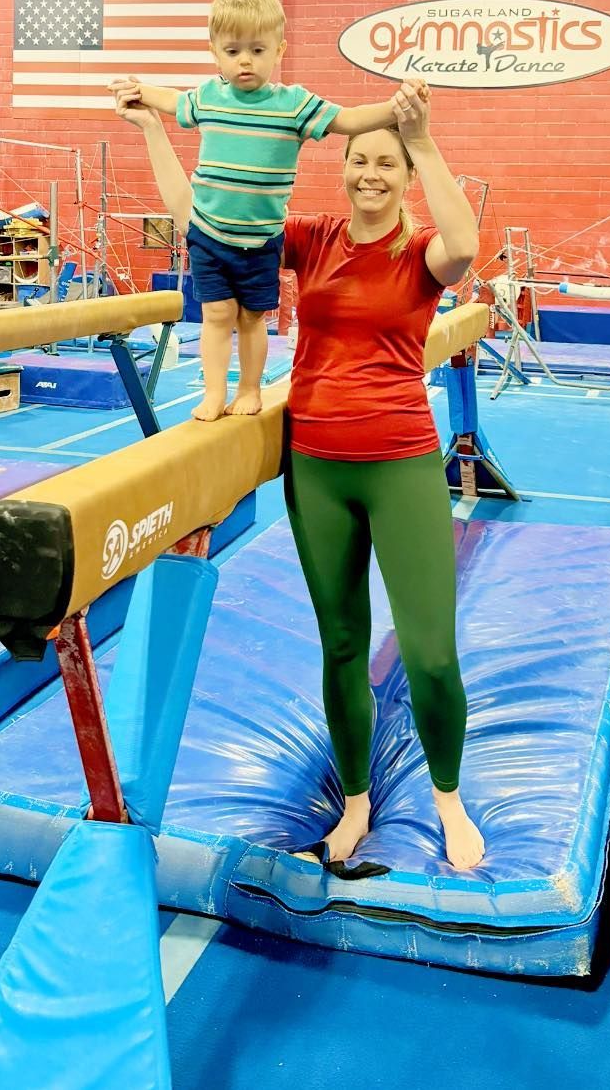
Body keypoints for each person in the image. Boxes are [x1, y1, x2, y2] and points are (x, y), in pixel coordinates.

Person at [114, 79, 486, 873]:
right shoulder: (313, 238)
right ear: (342, 167)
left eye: (386, 163)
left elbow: (467, 241)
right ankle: (354, 802)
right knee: (343, 642)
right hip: (316, 463)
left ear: (404, 174)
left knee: (428, 652)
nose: (370, 174)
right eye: (360, 161)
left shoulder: (419, 254)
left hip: (400, 462)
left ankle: (450, 798)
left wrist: (420, 138)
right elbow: (202, 219)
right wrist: (155, 130)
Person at [110, 0, 400, 423]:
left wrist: (397, 107)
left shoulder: (294, 105)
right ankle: (213, 392)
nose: (245, 60)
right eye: (232, 51)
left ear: (279, 50)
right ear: (215, 53)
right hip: (208, 232)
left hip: (261, 239)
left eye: (258, 50)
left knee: (251, 319)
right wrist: (137, 88)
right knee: (216, 314)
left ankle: (248, 388)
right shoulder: (208, 97)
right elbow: (170, 101)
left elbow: (348, 119)